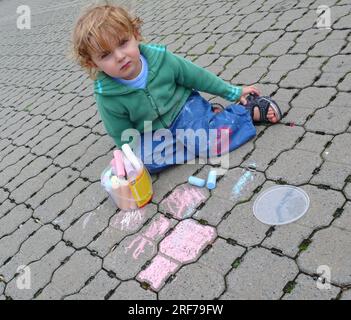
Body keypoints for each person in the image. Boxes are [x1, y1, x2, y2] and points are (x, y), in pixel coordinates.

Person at [70, 4, 282, 173]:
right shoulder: (107, 95)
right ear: (92, 63)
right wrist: (129, 155)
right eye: (105, 55)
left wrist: (234, 92)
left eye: (123, 43)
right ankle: (208, 125)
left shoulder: (161, 59)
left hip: (184, 109)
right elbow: (120, 131)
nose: (119, 56)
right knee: (145, 162)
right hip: (153, 131)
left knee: (207, 144)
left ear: (135, 34)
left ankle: (245, 112)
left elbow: (198, 77)